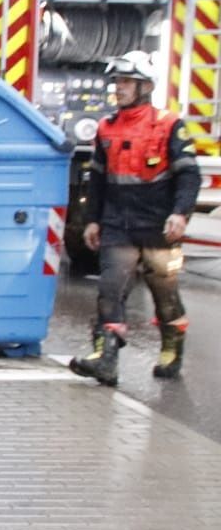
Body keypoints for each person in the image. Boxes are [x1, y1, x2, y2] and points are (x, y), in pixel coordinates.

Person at [69, 51, 199, 386]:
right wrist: (93, 220)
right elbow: (96, 180)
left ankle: (172, 346)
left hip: (158, 229)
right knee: (110, 289)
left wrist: (180, 214)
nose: (119, 88)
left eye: (126, 82)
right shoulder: (106, 128)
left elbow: (189, 176)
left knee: (165, 294)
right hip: (118, 226)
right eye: (117, 82)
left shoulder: (170, 125)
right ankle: (105, 359)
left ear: (145, 86)